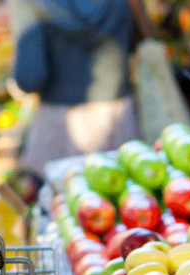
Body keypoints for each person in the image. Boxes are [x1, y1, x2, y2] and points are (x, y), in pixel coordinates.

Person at [10, 0, 141, 175]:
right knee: (126, 194)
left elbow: (30, 77)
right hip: (118, 118)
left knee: (62, 197)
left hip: (60, 125)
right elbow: (138, 43)